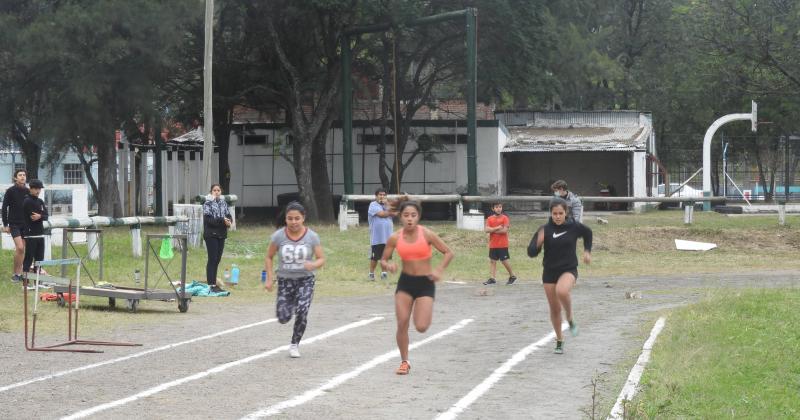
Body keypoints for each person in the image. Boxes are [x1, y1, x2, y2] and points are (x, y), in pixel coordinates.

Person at [380, 200, 454, 375]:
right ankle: (404, 361)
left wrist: (438, 270)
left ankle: (421, 310)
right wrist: (388, 265)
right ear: (400, 217)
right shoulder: (395, 237)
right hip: (405, 283)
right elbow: (384, 259)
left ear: (418, 217)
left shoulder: (427, 234)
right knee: (402, 321)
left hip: (425, 283)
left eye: (413, 215)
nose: (410, 219)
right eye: (406, 215)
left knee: (421, 326)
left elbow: (449, 252)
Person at [528, 198, 592, 354]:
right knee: (555, 309)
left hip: (569, 269)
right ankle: (559, 339)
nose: (557, 216)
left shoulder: (574, 227)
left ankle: (570, 317)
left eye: (560, 213)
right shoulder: (544, 229)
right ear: (550, 213)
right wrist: (537, 244)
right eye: (554, 213)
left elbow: (588, 233)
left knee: (562, 291)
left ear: (566, 213)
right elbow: (531, 253)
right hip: (549, 271)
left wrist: (587, 251)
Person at [264, 202, 325, 358]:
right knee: (283, 318)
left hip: (305, 280)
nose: (294, 222)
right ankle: (290, 305)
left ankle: (294, 344)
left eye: (297, 218)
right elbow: (269, 257)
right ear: (285, 219)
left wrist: (313, 265)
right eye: (290, 219)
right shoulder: (279, 236)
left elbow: (321, 258)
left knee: (302, 311)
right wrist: (269, 279)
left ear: (303, 218)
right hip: (285, 281)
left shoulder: (312, 236)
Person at [203, 184, 232, 293]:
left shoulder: (224, 203)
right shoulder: (207, 203)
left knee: (218, 260)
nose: (216, 192)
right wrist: (222, 220)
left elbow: (228, 216)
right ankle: (211, 284)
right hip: (211, 235)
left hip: (221, 234)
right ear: (211, 192)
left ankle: (214, 283)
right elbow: (209, 220)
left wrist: (229, 221)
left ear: (221, 192)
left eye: (218, 190)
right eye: (214, 190)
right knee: (212, 259)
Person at [2, 169, 29, 282]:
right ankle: (15, 273)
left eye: (24, 175)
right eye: (20, 175)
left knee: (22, 250)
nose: (22, 177)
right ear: (15, 178)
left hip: (26, 224)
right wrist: (5, 224)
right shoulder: (10, 191)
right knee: (19, 247)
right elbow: (4, 208)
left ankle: (20, 273)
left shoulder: (28, 191)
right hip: (14, 224)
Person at [483, 202, 517, 286]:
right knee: (492, 261)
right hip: (493, 244)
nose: (499, 208)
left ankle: (512, 276)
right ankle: (492, 278)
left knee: (504, 261)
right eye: (497, 207)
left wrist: (492, 230)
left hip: (502, 244)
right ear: (493, 208)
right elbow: (486, 230)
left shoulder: (505, 218)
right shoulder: (490, 218)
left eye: (500, 207)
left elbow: (504, 231)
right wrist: (497, 228)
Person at [367, 188, 395, 281]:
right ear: (376, 196)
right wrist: (390, 211)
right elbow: (382, 214)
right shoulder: (373, 205)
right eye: (380, 195)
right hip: (377, 238)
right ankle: (371, 274)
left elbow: (394, 213)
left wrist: (387, 204)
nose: (382, 197)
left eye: (384, 195)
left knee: (385, 256)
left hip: (388, 237)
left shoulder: (388, 205)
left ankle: (384, 274)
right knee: (375, 257)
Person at [22, 179, 48, 275]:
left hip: (40, 234)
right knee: (28, 258)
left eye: (39, 189)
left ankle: (38, 282)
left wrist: (40, 216)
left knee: (40, 259)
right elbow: (33, 217)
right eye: (36, 189)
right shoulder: (27, 201)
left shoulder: (40, 201)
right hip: (30, 235)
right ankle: (26, 283)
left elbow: (46, 216)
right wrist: (41, 215)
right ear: (31, 189)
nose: (38, 191)